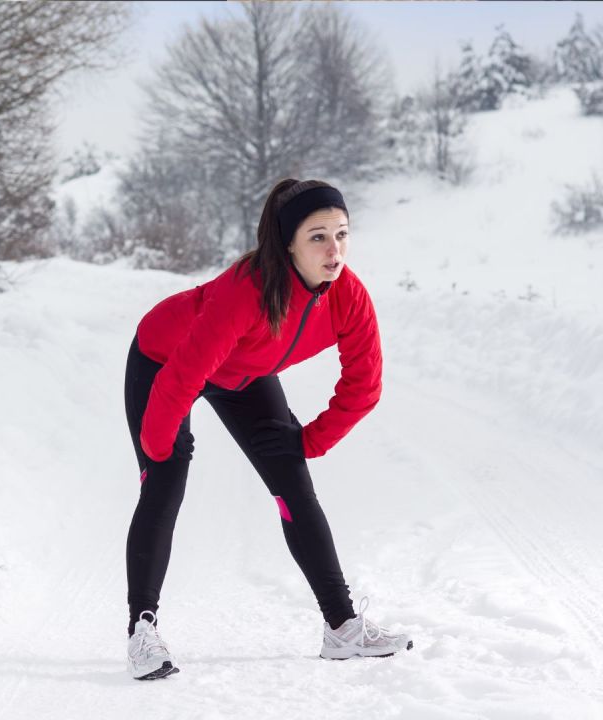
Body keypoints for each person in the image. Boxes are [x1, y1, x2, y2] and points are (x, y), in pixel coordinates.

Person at [122, 178, 413, 680]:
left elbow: (364, 386)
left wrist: (308, 441)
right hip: (165, 358)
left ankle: (342, 627)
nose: (334, 250)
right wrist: (159, 449)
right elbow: (183, 375)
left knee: (294, 485)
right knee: (165, 483)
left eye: (342, 234)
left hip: (244, 375)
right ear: (288, 243)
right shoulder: (247, 290)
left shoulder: (348, 295)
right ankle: (141, 631)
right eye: (318, 237)